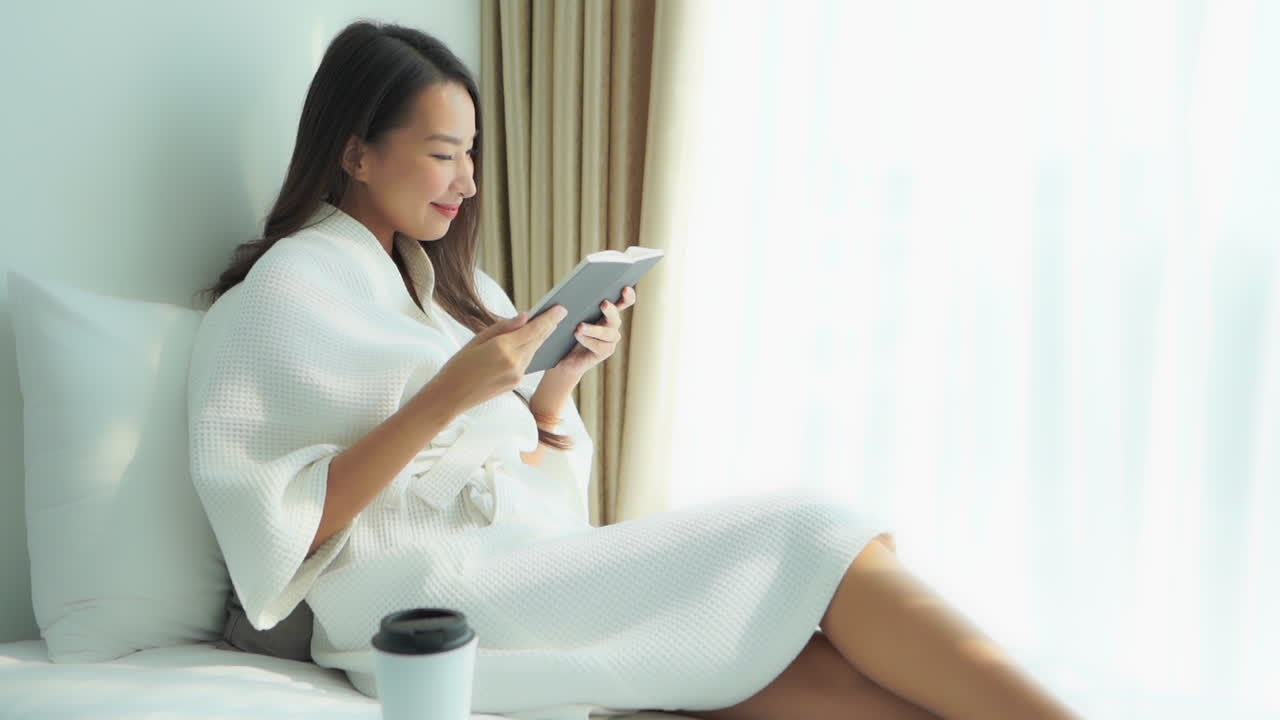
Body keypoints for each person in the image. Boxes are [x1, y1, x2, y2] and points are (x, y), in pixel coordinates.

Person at [189, 20, 1081, 720]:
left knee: (807, 663)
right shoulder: (280, 294)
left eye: (472, 153)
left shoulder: (455, 292)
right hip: (419, 602)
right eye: (440, 152)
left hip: (522, 562)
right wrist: (451, 392)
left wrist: (555, 385)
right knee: (813, 530)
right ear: (355, 153)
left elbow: (522, 480)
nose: (466, 181)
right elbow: (285, 534)